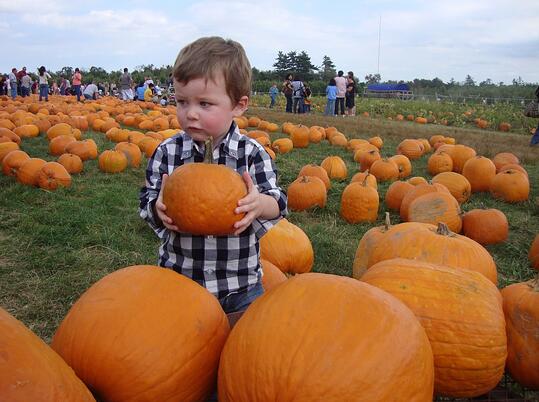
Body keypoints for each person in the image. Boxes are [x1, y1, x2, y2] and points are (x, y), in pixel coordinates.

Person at [139, 36, 287, 315]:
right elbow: (146, 200)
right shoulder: (167, 152)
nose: (190, 114)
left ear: (239, 105)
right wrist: (157, 208)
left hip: (239, 287)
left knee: (241, 352)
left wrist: (259, 205)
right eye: (182, 102)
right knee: (180, 349)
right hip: (180, 282)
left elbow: (279, 202)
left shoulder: (252, 153)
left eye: (204, 104)